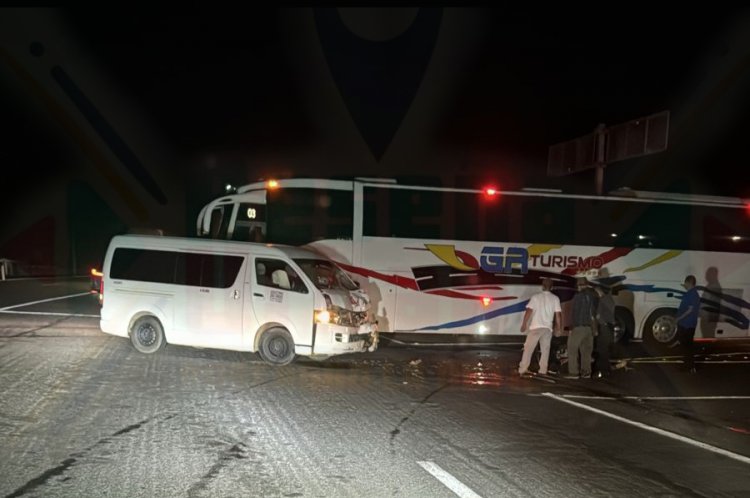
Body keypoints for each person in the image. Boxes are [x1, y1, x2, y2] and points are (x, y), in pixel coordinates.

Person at [519, 277, 562, 377]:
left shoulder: (536, 297)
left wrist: (524, 324)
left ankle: (523, 369)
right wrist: (558, 328)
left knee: (528, 349)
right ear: (552, 287)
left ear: (542, 286)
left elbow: (528, 311)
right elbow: (558, 315)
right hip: (547, 328)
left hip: (535, 327)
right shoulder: (555, 298)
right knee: (545, 350)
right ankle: (543, 370)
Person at [566, 277, 598, 379]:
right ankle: (586, 372)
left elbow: (575, 313)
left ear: (579, 285)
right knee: (586, 351)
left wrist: (571, 328)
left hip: (579, 327)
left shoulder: (578, 296)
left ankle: (574, 373)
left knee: (572, 349)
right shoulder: (593, 296)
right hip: (590, 328)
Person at [675, 274, 700, 373]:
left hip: (687, 325)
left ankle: (689, 366)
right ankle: (689, 366)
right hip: (686, 324)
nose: (684, 285)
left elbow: (690, 310)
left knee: (687, 347)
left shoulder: (692, 294)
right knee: (686, 346)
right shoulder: (691, 293)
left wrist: (679, 318)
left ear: (689, 283)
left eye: (685, 283)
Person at [593, 285, 615, 379]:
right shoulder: (611, 299)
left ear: (600, 291)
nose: (596, 294)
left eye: (597, 292)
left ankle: (602, 371)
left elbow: (598, 316)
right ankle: (606, 370)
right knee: (606, 350)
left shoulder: (602, 301)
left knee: (601, 349)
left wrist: (598, 322)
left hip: (604, 327)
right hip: (610, 327)